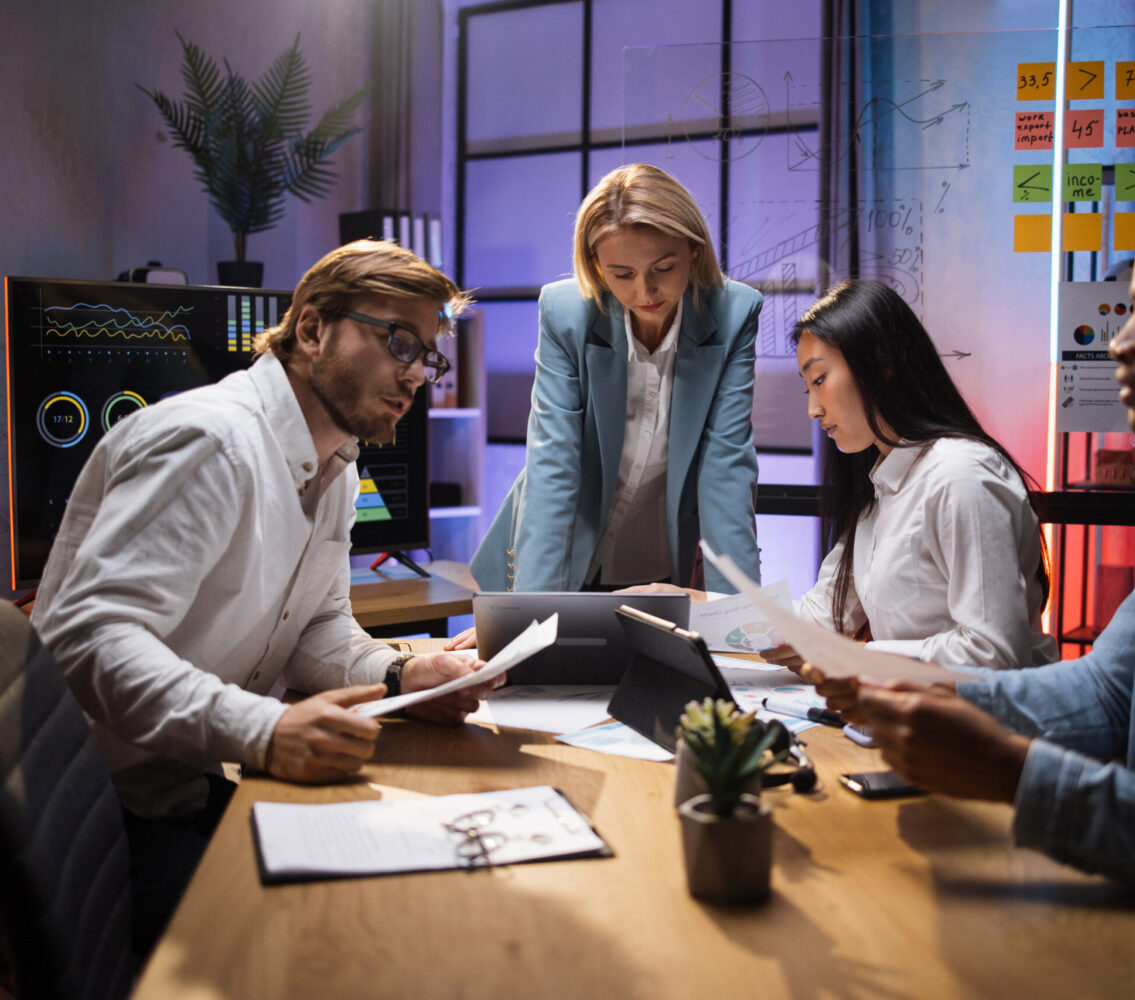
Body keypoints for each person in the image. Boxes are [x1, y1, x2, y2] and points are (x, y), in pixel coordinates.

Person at [809, 190, 1135, 911]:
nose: (1118, 342)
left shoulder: (957, 473)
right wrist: (928, 693)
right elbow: (1106, 690)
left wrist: (1018, 774)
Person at [31, 240, 501, 951]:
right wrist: (265, 730)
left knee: (423, 899)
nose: (417, 375)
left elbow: (315, 628)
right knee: (346, 942)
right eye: (399, 341)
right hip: (102, 820)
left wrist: (402, 672)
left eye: (427, 356)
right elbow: (88, 638)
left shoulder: (335, 463)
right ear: (312, 329)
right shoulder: (210, 443)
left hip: (181, 787)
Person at [638, 280, 1057, 671]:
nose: (813, 409)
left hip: (995, 732)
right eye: (808, 388)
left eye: (820, 380)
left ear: (881, 364)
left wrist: (854, 657)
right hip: (919, 720)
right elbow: (819, 619)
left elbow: (992, 654)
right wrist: (687, 606)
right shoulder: (883, 486)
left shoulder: (960, 476)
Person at [468, 163, 763, 596]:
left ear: (694, 250)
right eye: (622, 274)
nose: (645, 292)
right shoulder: (565, 314)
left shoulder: (734, 316)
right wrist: (526, 618)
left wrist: (741, 624)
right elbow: (554, 466)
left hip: (656, 560)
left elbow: (727, 473)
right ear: (595, 264)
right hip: (558, 554)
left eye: (664, 268)